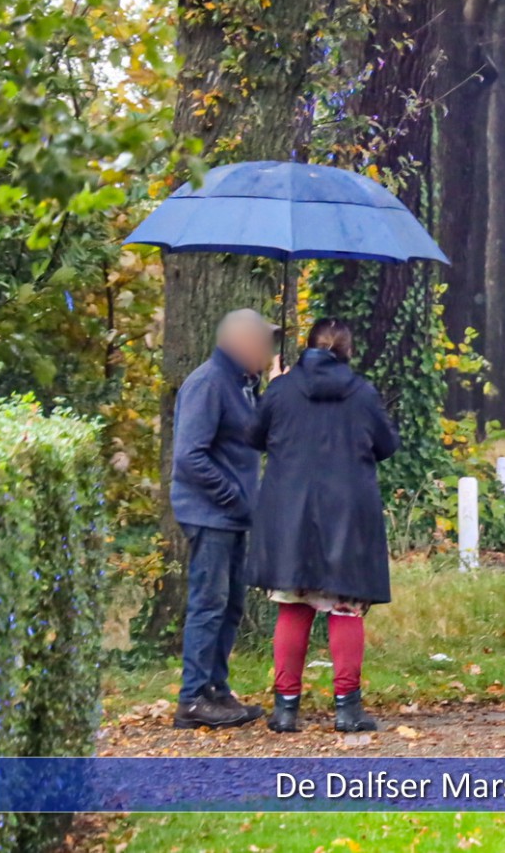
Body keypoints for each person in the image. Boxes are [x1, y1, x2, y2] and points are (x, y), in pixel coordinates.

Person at [247, 318, 399, 733]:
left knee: (294, 607)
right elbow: (387, 445)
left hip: (290, 514)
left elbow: (255, 436)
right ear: (347, 352)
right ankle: (347, 710)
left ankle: (285, 709)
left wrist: (275, 385)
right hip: (348, 516)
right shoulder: (363, 394)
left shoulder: (282, 389)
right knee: (345, 609)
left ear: (307, 348)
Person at [171, 308, 277, 729]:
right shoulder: (209, 383)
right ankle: (192, 697)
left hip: (234, 516)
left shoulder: (244, 385)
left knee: (231, 604)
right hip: (211, 514)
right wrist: (232, 497)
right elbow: (189, 455)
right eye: (262, 342)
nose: (267, 352)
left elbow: (254, 439)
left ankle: (216, 689)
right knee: (208, 603)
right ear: (240, 343)